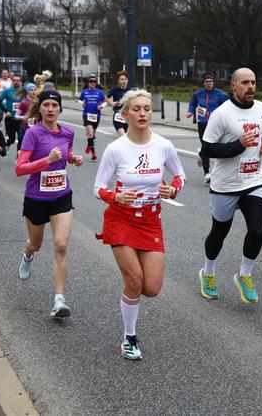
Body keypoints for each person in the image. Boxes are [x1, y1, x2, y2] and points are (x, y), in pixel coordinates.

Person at [94, 88, 185, 360]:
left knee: (152, 288)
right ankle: (129, 337)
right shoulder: (116, 149)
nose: (143, 113)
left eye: (147, 108)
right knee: (134, 280)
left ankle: (130, 306)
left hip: (150, 221)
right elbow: (98, 187)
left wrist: (174, 190)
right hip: (120, 219)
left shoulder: (163, 145)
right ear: (125, 115)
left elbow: (179, 175)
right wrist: (115, 196)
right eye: (136, 109)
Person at [198, 68, 262, 303]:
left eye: (253, 82)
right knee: (220, 232)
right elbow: (207, 149)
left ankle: (244, 274)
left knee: (257, 230)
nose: (250, 86)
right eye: (245, 83)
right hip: (225, 184)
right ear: (233, 86)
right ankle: (208, 272)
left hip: (253, 180)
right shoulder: (221, 114)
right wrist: (238, 145)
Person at [15, 90, 83, 319]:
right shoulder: (32, 134)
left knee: (61, 245)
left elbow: (67, 152)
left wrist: (72, 159)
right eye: (46, 105)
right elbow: (19, 168)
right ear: (40, 108)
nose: (51, 109)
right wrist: (47, 161)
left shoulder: (68, 132)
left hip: (61, 197)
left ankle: (59, 301)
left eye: (55, 105)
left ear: (60, 108)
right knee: (36, 243)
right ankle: (27, 254)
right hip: (36, 198)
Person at [187, 72, 229, 183]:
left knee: (218, 147)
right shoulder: (199, 93)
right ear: (203, 83)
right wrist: (190, 111)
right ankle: (207, 173)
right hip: (202, 124)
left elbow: (228, 107)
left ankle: (201, 154)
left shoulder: (220, 95)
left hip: (216, 125)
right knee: (206, 147)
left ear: (214, 83)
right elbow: (193, 103)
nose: (209, 84)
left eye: (211, 82)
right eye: (206, 82)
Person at [78, 75, 106, 160]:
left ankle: (89, 144)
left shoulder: (99, 92)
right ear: (88, 83)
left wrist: (101, 107)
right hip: (87, 114)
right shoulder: (84, 92)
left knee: (92, 135)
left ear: (95, 83)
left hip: (96, 115)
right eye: (91, 82)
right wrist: (82, 103)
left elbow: (104, 102)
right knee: (90, 133)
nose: (92, 83)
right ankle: (93, 153)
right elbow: (79, 99)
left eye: (94, 82)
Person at [0, 75, 23, 151]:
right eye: (14, 80)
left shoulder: (24, 92)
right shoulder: (7, 91)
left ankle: (18, 158)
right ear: (12, 81)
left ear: (20, 82)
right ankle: (7, 145)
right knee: (12, 139)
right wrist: (6, 111)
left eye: (18, 80)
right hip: (10, 119)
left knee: (21, 139)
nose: (16, 82)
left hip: (20, 119)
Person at [15, 83, 38, 154]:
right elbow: (16, 116)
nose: (33, 92)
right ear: (27, 91)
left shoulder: (38, 102)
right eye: (31, 90)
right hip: (25, 128)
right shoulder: (24, 103)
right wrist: (24, 117)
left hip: (36, 127)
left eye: (35, 90)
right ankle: (18, 157)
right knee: (22, 143)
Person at [105, 70, 130, 136]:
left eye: (125, 79)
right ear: (118, 81)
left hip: (127, 116)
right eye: (122, 79)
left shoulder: (130, 91)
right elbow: (106, 98)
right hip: (118, 116)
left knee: (125, 138)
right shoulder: (115, 89)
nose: (124, 81)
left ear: (127, 80)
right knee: (123, 137)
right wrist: (112, 103)